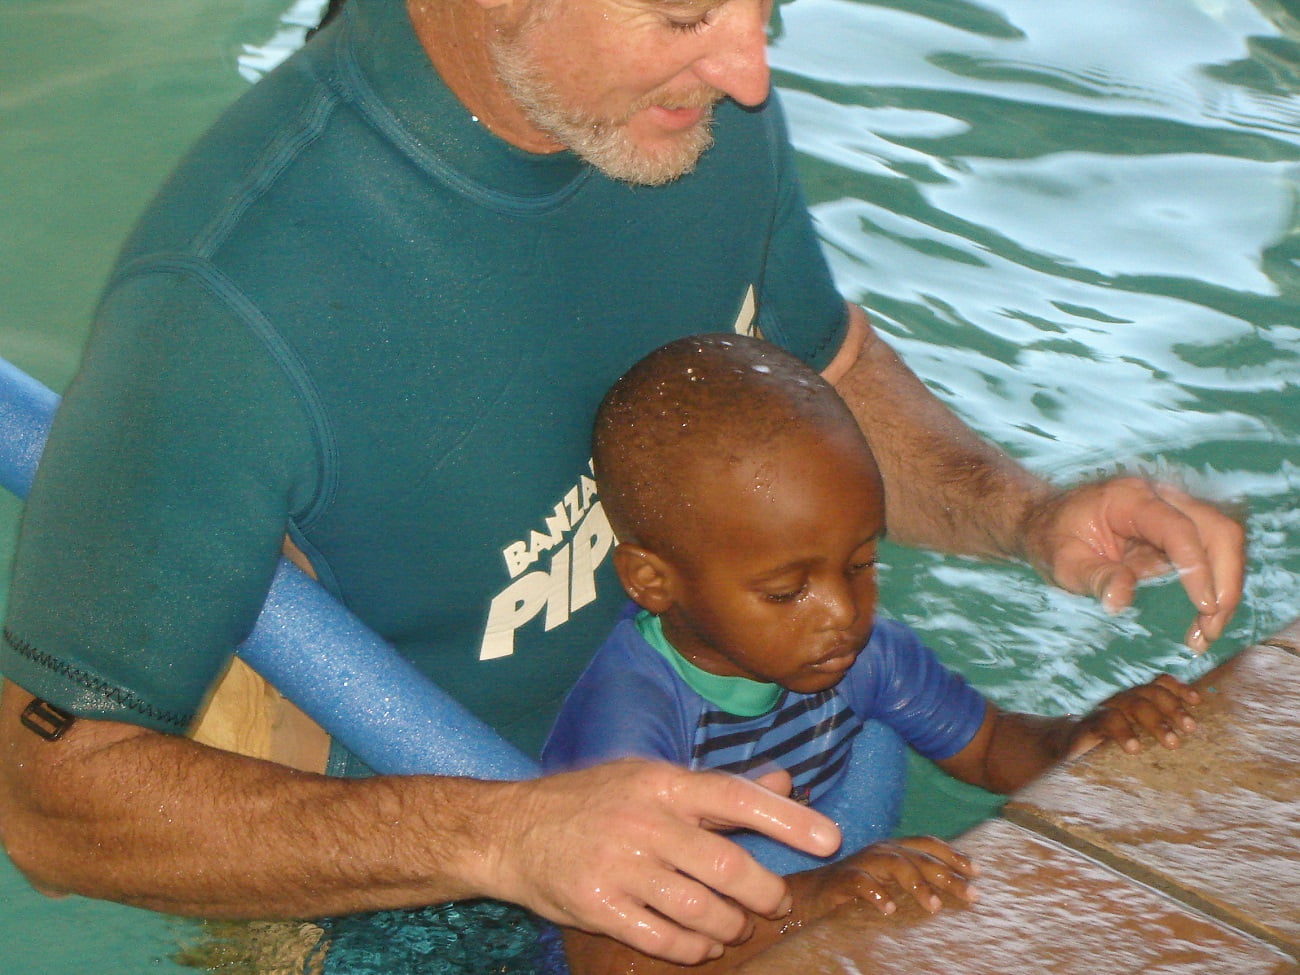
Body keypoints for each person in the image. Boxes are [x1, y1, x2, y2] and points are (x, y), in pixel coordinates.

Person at [0, 0, 1241, 967]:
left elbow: (816, 363)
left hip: (753, 769)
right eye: (685, 15)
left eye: (766, 11)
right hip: (410, 901)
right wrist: (502, 835)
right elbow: (50, 798)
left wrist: (1029, 513)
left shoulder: (697, 108)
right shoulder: (233, 305)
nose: (751, 73)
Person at [549, 333, 1204, 973]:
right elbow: (611, 955)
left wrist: (1081, 739)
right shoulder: (630, 719)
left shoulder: (864, 656)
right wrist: (809, 901)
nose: (842, 612)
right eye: (787, 590)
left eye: (861, 563)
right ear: (652, 581)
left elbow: (989, 743)